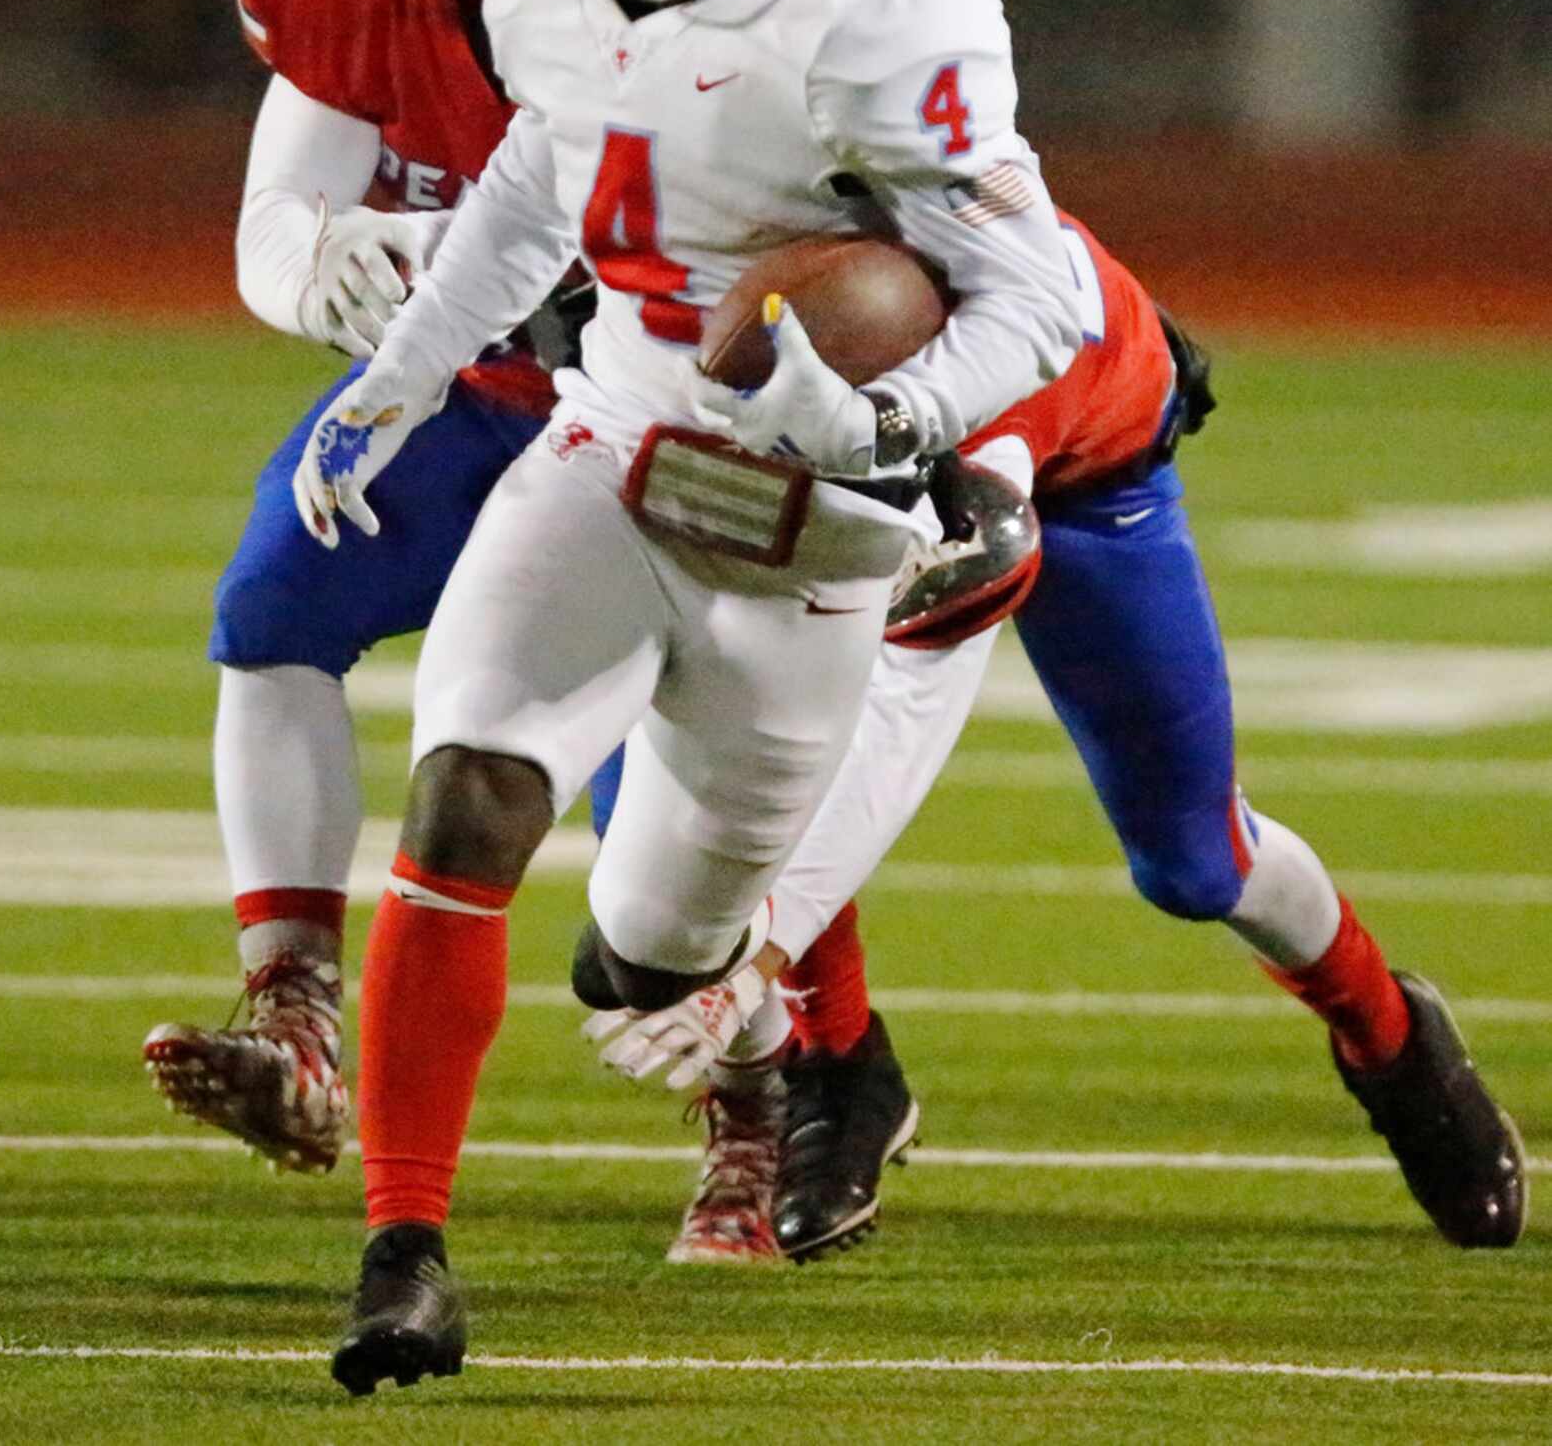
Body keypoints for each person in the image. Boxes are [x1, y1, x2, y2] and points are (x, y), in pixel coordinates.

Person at [290, 0, 1087, 1394]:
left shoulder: (893, 1)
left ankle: (760, 1006)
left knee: (644, 960)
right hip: (613, 434)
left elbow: (1041, 300)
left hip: (810, 515)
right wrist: (407, 369)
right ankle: (403, 1247)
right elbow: (532, 175)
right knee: (471, 779)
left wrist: (883, 417)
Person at [589, 213, 1528, 1264]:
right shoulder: (736, 249)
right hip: (889, 389)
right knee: (725, 750)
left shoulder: (976, 440)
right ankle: (839, 1066)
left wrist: (749, 961)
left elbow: (900, 723)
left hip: (1090, 466)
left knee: (1193, 860)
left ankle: (1390, 1039)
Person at [142, 0, 660, 1175]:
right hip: (466, 387)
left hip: (655, 414)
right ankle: (293, 1004)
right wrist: (341, 271)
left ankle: (780, 1083)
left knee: (666, 826)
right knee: (273, 601)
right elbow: (273, 228)